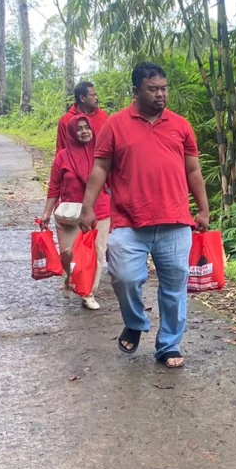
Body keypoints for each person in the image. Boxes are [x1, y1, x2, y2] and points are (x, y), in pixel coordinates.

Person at [79, 63, 208, 369]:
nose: (160, 94)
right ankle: (135, 322)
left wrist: (203, 208)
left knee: (174, 289)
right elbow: (100, 168)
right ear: (136, 91)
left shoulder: (180, 125)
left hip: (175, 221)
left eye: (164, 88)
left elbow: (193, 169)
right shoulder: (115, 125)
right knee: (124, 277)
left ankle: (168, 345)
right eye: (153, 89)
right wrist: (87, 206)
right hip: (129, 220)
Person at [40, 114, 110, 309]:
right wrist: (46, 212)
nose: (84, 131)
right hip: (69, 214)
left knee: (96, 253)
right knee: (68, 254)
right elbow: (54, 187)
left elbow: (116, 182)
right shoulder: (63, 156)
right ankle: (70, 277)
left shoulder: (102, 153)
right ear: (71, 133)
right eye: (78, 129)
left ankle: (88, 293)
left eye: (86, 127)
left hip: (100, 211)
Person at [56, 82, 108, 153]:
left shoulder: (103, 116)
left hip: (100, 162)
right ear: (82, 98)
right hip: (76, 163)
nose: (96, 98)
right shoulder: (66, 120)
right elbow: (61, 149)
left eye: (96, 95)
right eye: (92, 95)